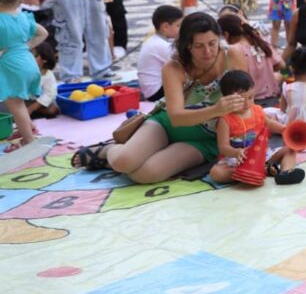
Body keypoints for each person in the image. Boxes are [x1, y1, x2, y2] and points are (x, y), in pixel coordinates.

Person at [82, 13, 249, 182]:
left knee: (144, 175)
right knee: (123, 162)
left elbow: (248, 99)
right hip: (167, 125)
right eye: (199, 46)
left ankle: (139, 153)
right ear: (187, 45)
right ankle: (108, 150)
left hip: (208, 137)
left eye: (212, 44)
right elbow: (176, 118)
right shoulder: (174, 67)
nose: (208, 52)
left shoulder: (232, 55)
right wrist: (216, 110)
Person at [210, 69, 290, 185]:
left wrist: (284, 129)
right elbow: (223, 147)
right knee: (216, 173)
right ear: (227, 99)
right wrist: (236, 152)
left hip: (262, 155)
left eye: (250, 97)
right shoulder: (225, 119)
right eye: (240, 100)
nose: (247, 103)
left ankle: (286, 172)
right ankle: (258, 171)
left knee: (290, 150)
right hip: (237, 159)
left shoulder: (257, 110)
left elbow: (269, 124)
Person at [0, 0, 50, 149]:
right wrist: (26, 46)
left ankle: (28, 140)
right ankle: (29, 128)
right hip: (27, 61)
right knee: (19, 101)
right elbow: (43, 33)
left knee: (15, 105)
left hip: (12, 64)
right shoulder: (22, 17)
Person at [218, 13, 281, 100]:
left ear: (226, 34)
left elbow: (240, 84)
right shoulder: (259, 40)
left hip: (254, 101)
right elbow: (281, 65)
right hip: (274, 96)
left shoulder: (234, 49)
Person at [138, 5, 183, 102]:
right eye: (178, 25)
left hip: (149, 91)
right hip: (155, 93)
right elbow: (183, 64)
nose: (181, 29)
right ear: (165, 27)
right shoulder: (161, 46)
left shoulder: (154, 40)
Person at [28, 41, 59, 119]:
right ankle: (25, 112)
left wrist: (31, 108)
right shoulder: (26, 72)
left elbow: (49, 94)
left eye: (34, 56)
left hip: (39, 103)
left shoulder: (48, 76)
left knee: (53, 109)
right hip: (26, 100)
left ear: (44, 59)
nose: (29, 58)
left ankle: (30, 112)